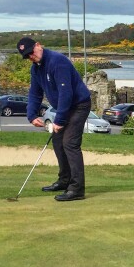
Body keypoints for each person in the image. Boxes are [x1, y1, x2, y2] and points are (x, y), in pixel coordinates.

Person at [19, 37, 92, 201]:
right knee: (58, 141)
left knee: (70, 143)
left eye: (31, 52)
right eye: (27, 56)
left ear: (38, 45)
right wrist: (31, 115)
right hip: (64, 107)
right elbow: (35, 93)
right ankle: (64, 180)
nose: (31, 56)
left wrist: (59, 121)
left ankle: (77, 188)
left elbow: (66, 93)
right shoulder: (35, 69)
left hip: (79, 105)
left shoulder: (57, 61)